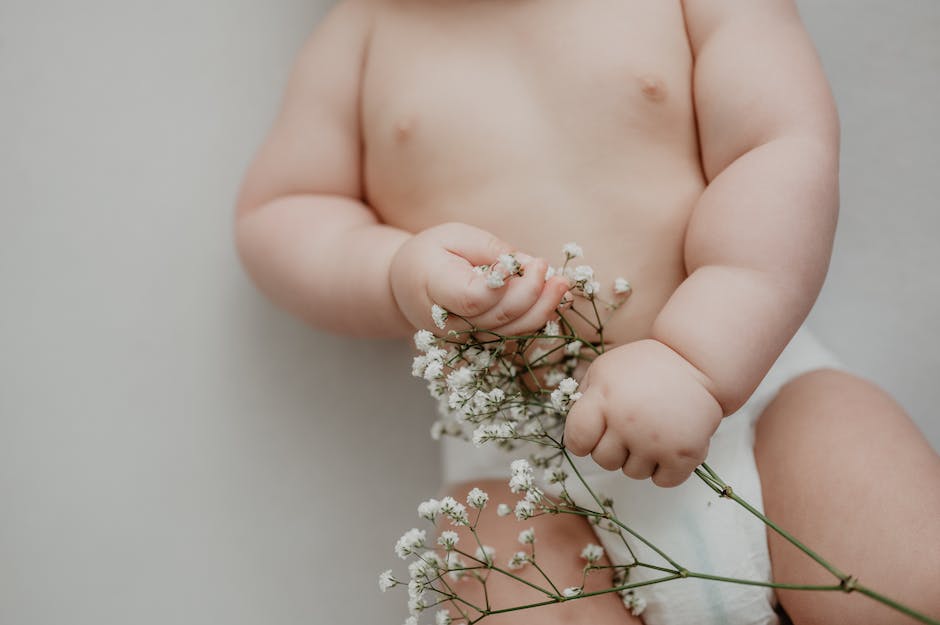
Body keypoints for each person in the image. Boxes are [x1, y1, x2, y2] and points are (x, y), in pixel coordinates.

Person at [233, 0, 940, 622]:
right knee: (487, 562)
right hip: (525, 468)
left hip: (757, 393)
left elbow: (780, 149)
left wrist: (698, 359)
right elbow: (282, 215)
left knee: (901, 552)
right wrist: (392, 270)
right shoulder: (360, 34)